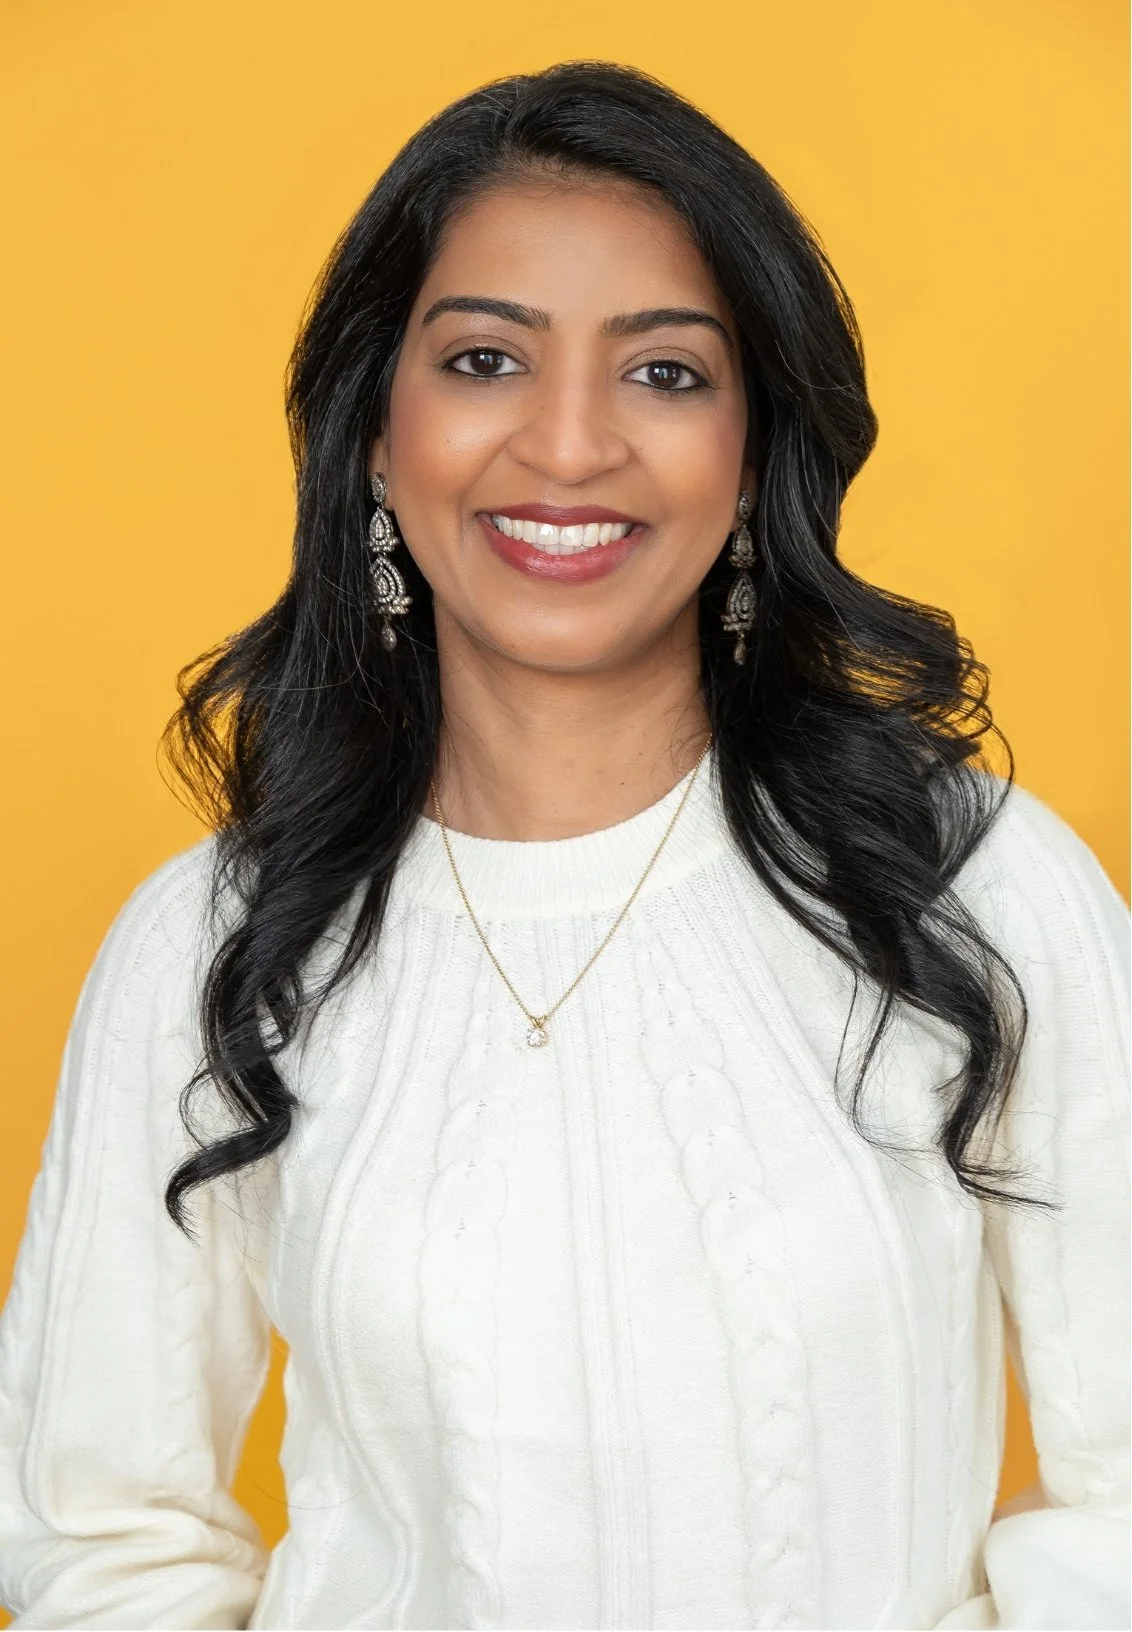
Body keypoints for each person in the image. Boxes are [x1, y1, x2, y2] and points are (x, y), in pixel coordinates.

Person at [0, 60, 1127, 1632]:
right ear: (377, 440)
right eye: (483, 360)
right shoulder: (214, 952)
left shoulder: (969, 888)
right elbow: (100, 1543)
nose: (572, 446)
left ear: (751, 458)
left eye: (665, 374)